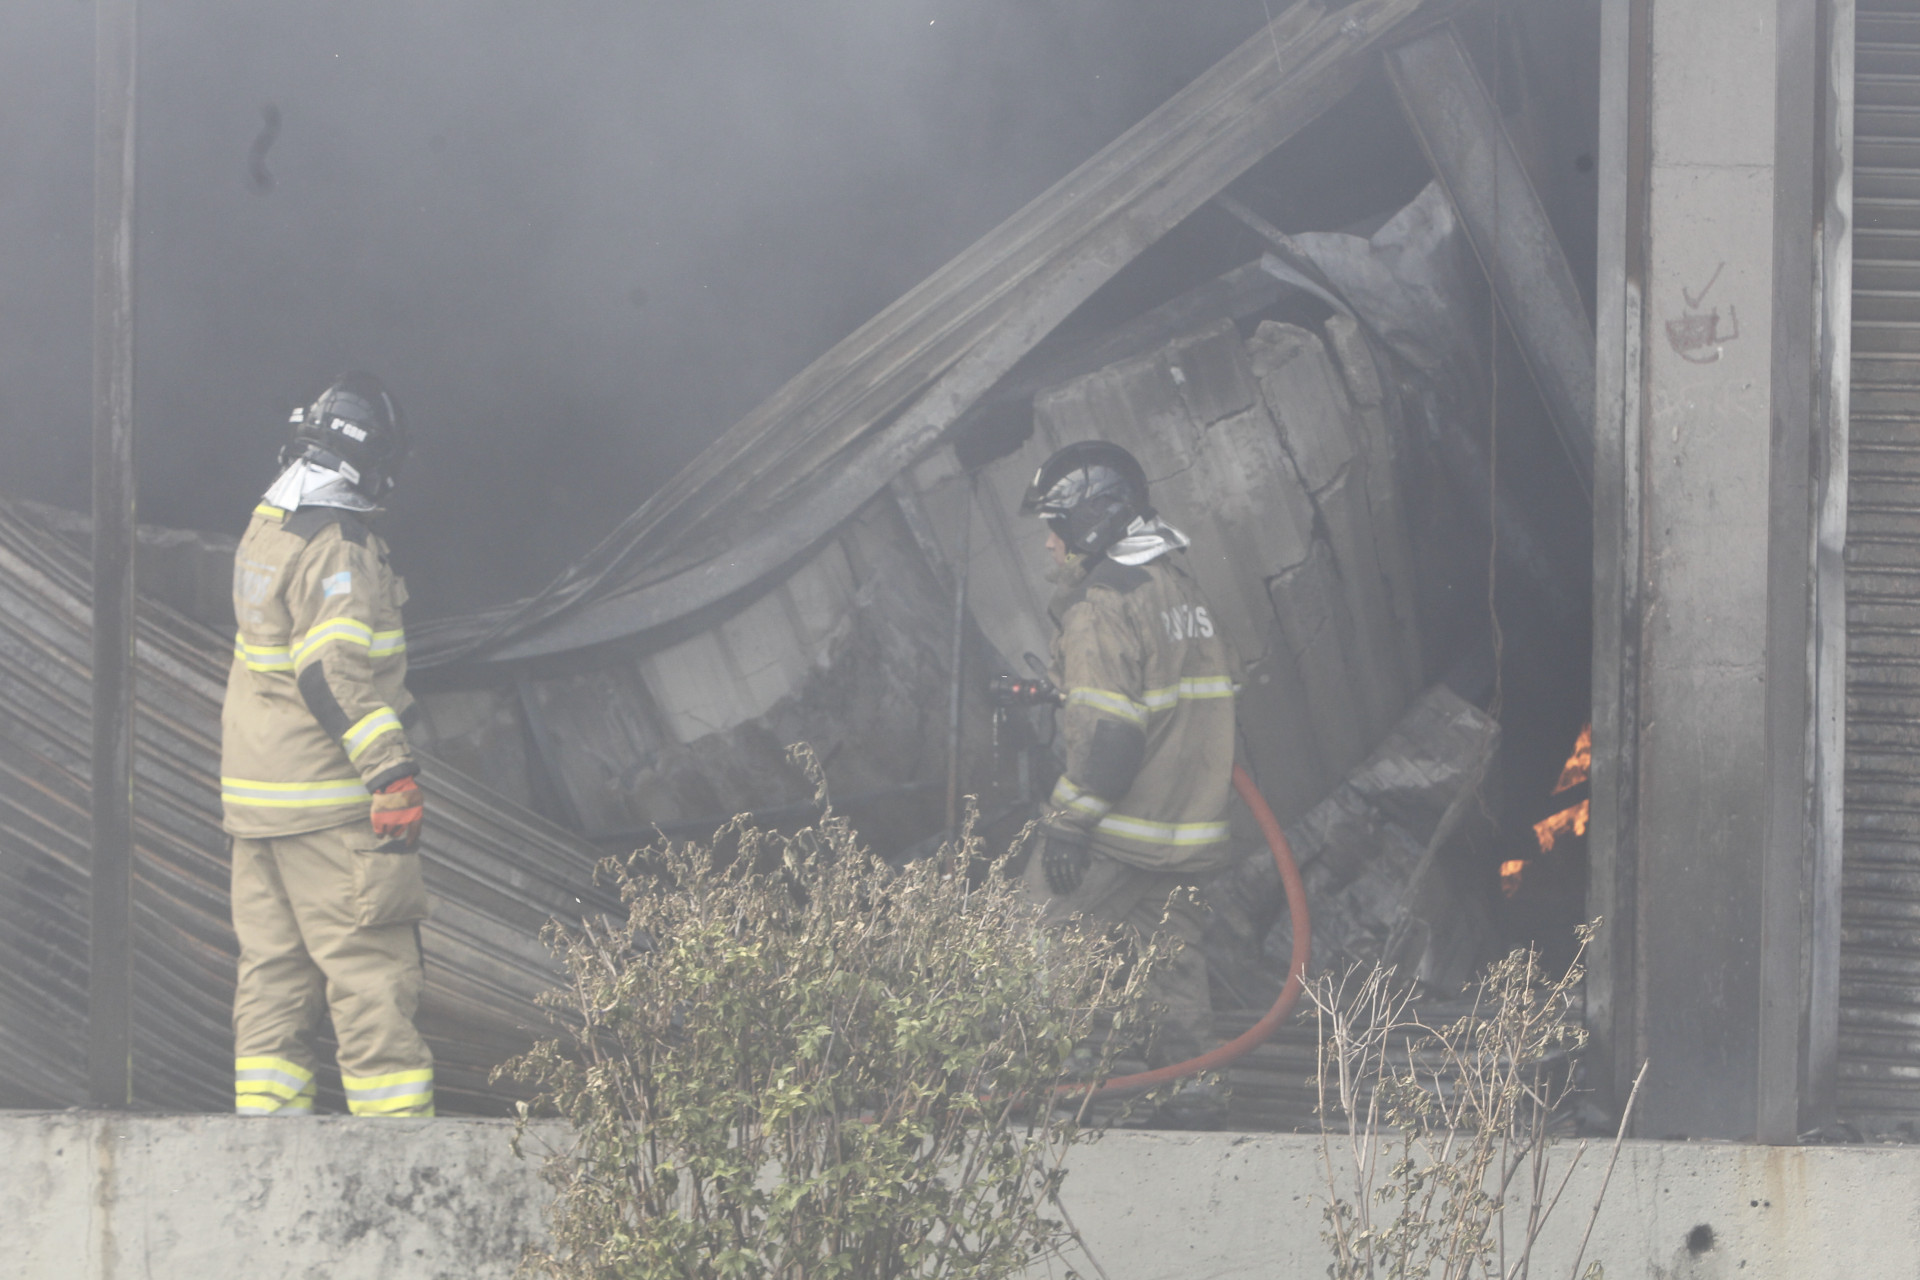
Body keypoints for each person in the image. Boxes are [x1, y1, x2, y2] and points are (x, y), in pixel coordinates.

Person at [222, 372, 432, 1117]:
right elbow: (328, 670)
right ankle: (403, 1162)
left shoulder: (270, 522)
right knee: (370, 975)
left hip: (259, 807)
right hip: (329, 806)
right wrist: (390, 773)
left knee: (274, 981)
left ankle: (266, 1158)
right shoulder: (337, 546)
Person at [1019, 440, 1239, 1123]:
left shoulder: (1101, 606)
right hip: (1186, 822)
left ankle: (1064, 1084)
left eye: (1056, 528)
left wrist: (1067, 820)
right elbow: (1164, 698)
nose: (1049, 546)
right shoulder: (1177, 585)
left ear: (1091, 521)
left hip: (1121, 823)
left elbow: (1111, 738)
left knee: (1039, 931)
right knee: (1168, 954)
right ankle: (1192, 1089)